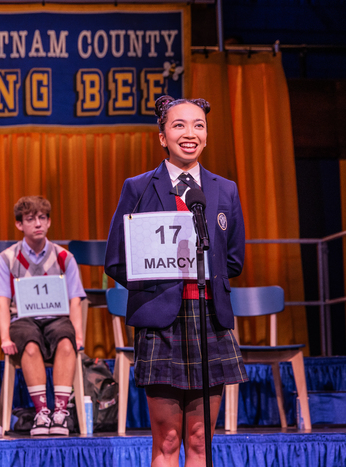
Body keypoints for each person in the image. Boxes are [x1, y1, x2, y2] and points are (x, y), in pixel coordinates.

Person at [104, 96, 248, 466]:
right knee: (167, 440)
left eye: (198, 125)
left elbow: (232, 259)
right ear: (162, 136)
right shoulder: (138, 188)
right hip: (162, 322)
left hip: (210, 319)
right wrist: (158, 282)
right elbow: (117, 260)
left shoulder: (225, 189)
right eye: (179, 125)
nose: (190, 133)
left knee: (200, 440)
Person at [0, 196, 86, 436]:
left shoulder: (65, 257)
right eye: (30, 219)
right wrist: (4, 338)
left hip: (56, 318)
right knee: (30, 345)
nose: (37, 224)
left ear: (49, 221)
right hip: (23, 319)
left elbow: (76, 299)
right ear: (19, 225)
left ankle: (60, 413)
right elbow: (1, 302)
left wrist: (79, 334)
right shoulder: (6, 259)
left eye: (42, 218)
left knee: (66, 341)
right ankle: (42, 412)